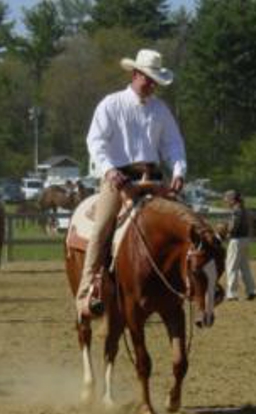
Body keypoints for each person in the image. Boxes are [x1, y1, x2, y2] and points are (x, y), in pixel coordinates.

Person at [77, 49, 187, 318]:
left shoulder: (161, 110)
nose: (151, 85)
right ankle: (86, 292)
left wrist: (179, 170)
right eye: (148, 79)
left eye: (155, 81)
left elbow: (173, 144)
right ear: (135, 74)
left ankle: (190, 283)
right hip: (120, 180)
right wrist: (109, 170)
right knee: (102, 228)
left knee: (186, 223)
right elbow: (96, 141)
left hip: (154, 180)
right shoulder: (111, 104)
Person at [224, 190, 256, 301]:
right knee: (245, 267)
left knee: (232, 267)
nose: (225, 201)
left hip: (236, 240)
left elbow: (234, 226)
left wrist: (227, 231)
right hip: (245, 240)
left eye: (227, 199)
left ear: (232, 200)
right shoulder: (244, 209)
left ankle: (232, 293)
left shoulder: (236, 211)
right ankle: (252, 290)